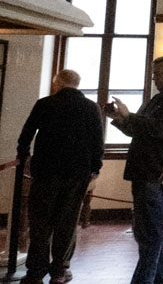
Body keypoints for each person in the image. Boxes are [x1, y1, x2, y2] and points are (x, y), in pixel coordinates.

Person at [107, 54, 163, 284]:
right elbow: (139, 130)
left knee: (150, 234)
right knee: (147, 231)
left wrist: (130, 117)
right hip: (145, 171)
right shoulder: (157, 99)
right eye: (153, 73)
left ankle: (144, 280)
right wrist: (121, 119)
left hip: (159, 173)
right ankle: (162, 278)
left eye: (158, 73)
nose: (154, 78)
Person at [16, 69, 104, 284]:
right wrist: (95, 167)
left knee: (41, 223)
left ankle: (35, 272)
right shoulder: (91, 107)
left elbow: (27, 133)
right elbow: (97, 141)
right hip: (77, 173)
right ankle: (59, 271)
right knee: (67, 223)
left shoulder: (45, 104)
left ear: (58, 82)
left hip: (46, 171)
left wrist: (24, 155)